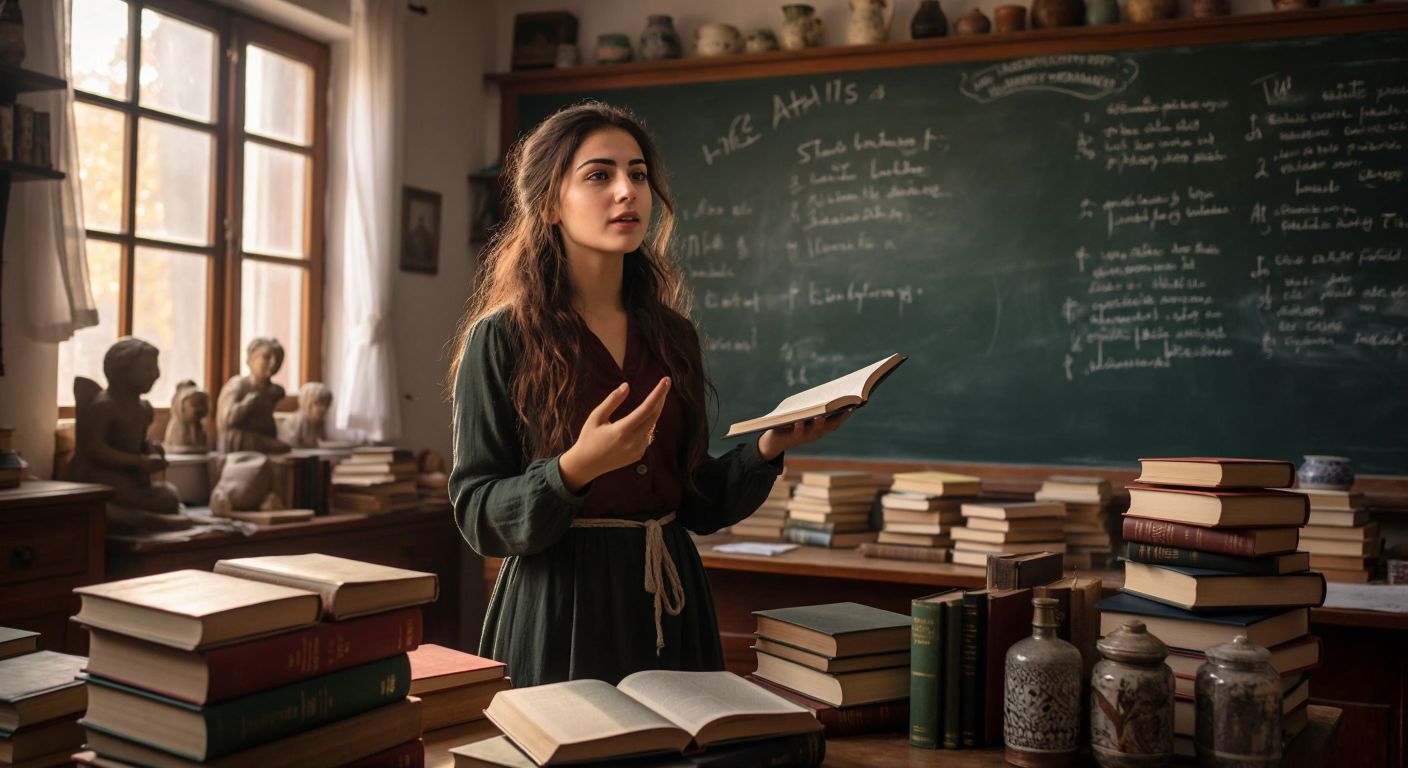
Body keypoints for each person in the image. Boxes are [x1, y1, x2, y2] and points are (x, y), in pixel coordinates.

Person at [448, 102, 854, 688]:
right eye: (599, 175)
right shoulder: (502, 338)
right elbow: (477, 513)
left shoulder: (670, 334)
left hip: (672, 603)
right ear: (547, 203)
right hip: (561, 610)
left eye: (638, 174)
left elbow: (696, 505)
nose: (627, 191)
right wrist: (572, 470)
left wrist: (766, 447)